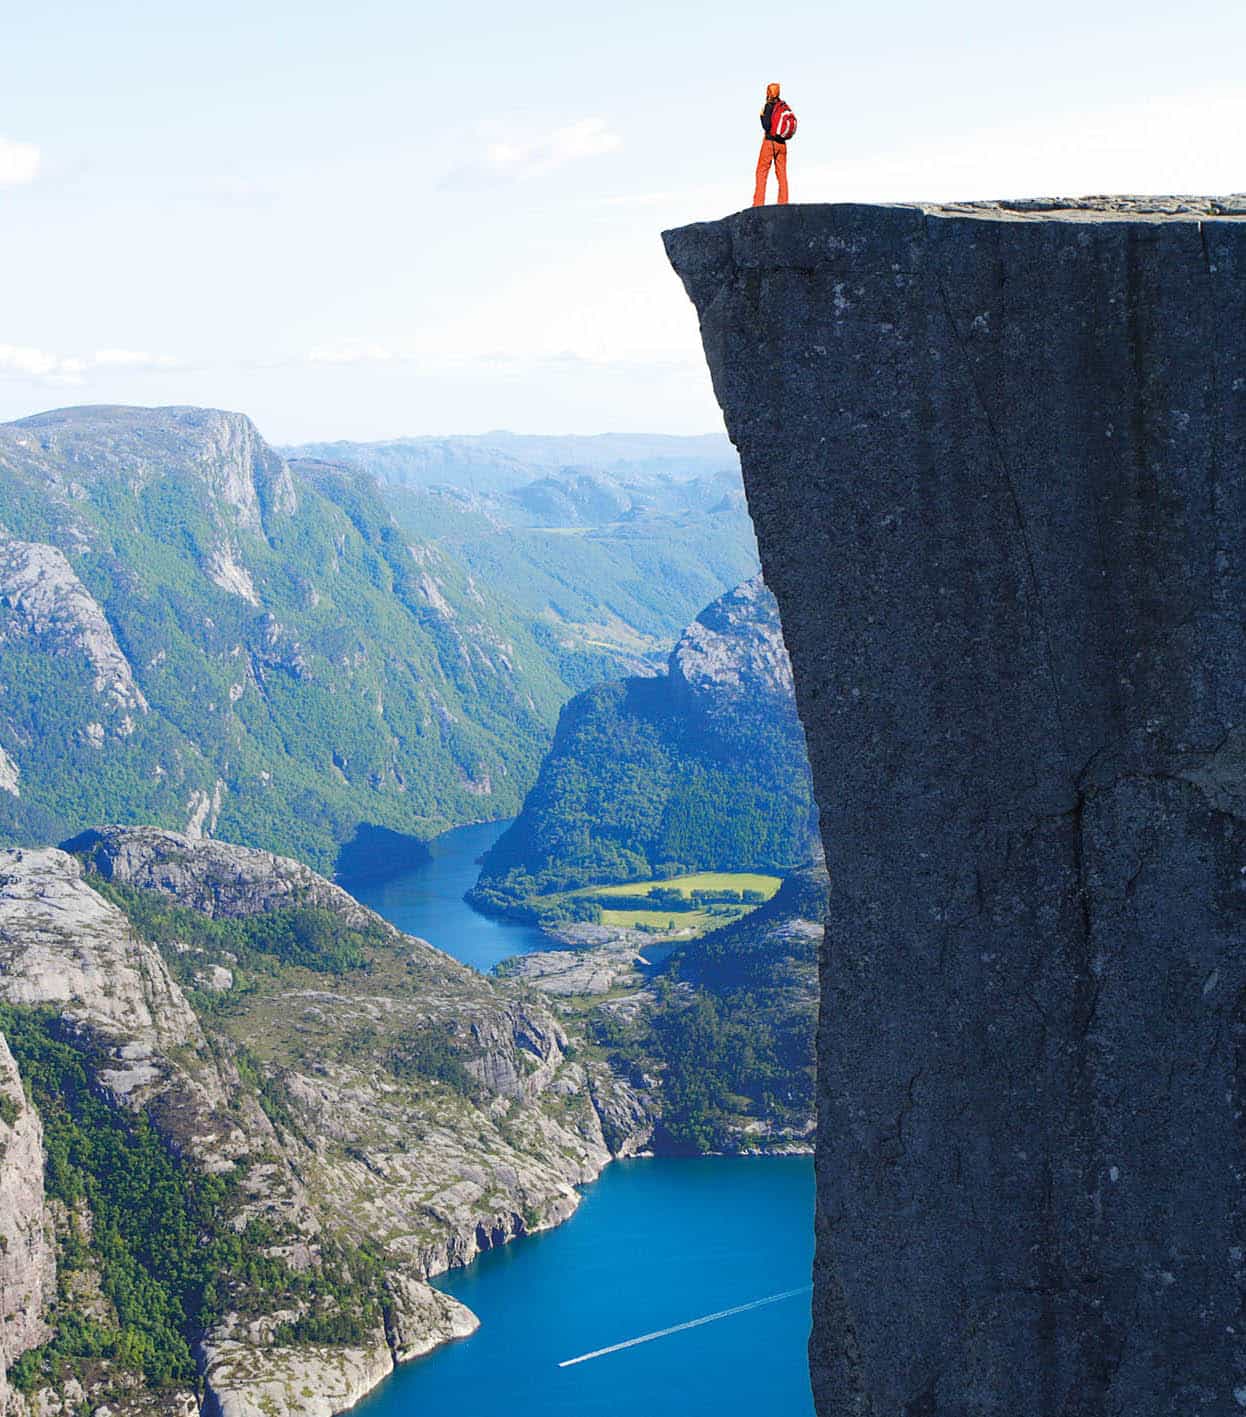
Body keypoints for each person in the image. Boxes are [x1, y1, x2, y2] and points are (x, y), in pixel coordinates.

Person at [753, 82, 789, 207]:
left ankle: (758, 204)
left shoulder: (768, 106)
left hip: (769, 143)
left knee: (761, 172)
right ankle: (783, 203)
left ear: (768, 93)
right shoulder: (783, 106)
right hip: (782, 144)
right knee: (782, 174)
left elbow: (767, 126)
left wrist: (761, 116)